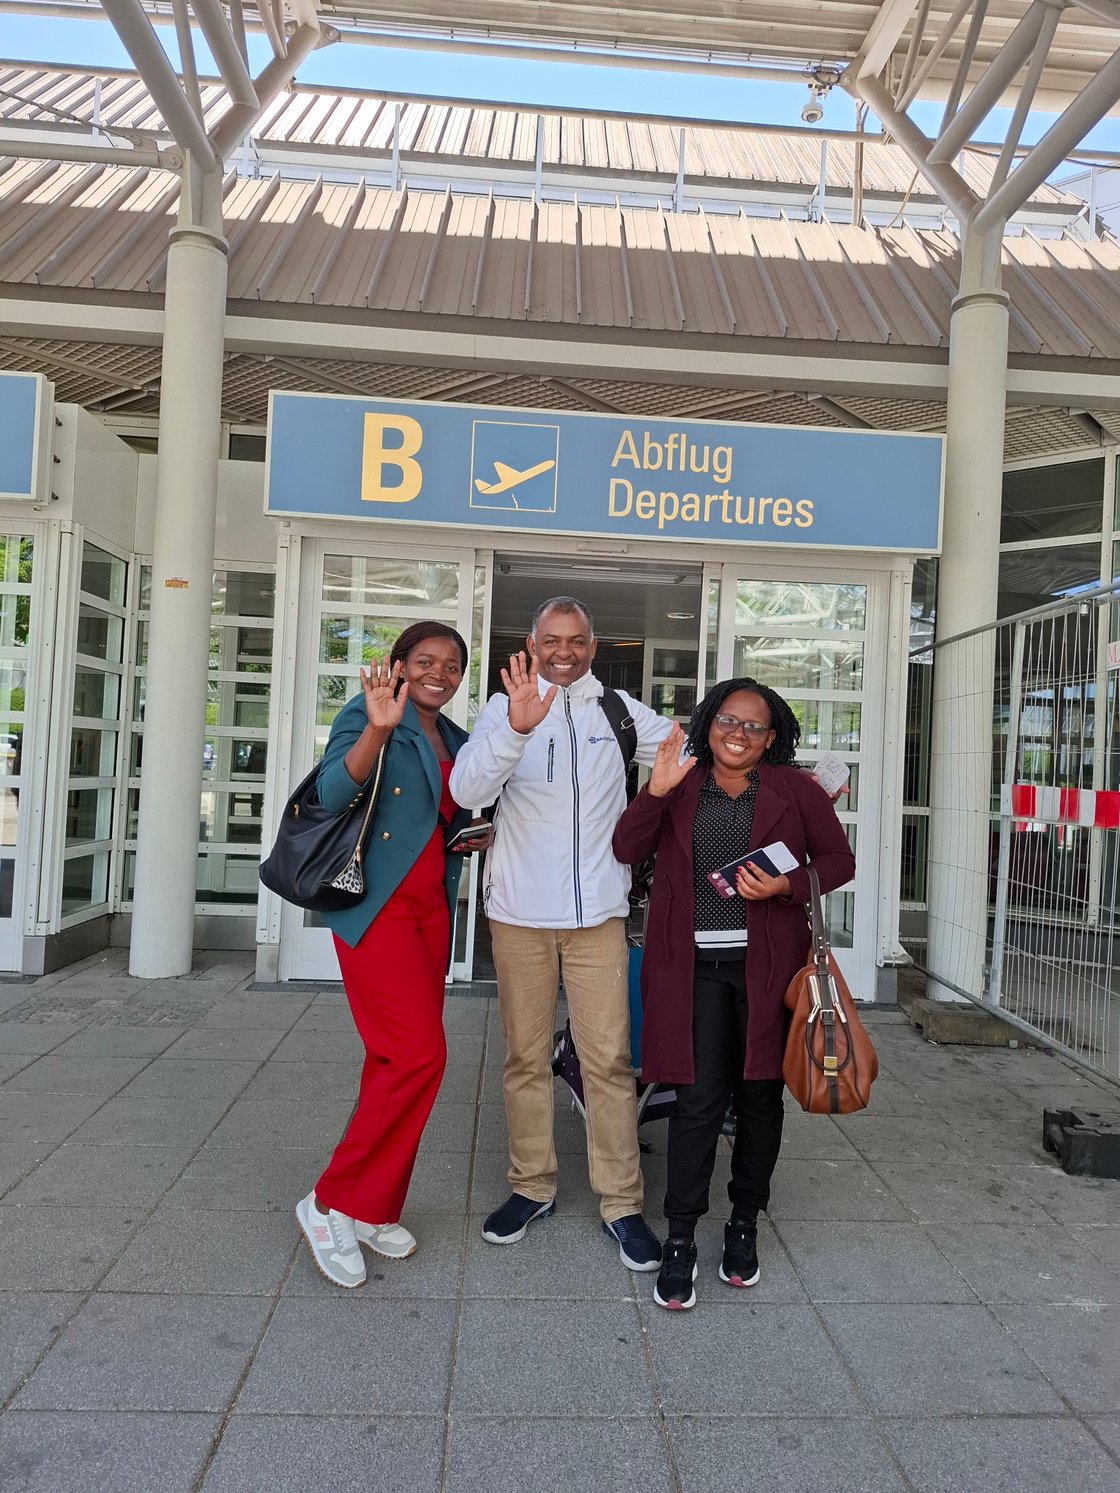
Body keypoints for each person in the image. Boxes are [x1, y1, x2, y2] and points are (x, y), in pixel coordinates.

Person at [612, 676, 855, 1310]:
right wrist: (656, 792)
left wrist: (786, 888)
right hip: (690, 971)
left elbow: (838, 860)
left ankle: (744, 1222)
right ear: (708, 723)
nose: (738, 734)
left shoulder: (794, 791)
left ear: (771, 738)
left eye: (753, 726)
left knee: (759, 1100)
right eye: (728, 720)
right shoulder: (678, 781)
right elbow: (625, 847)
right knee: (695, 1102)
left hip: (769, 973)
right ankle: (682, 1238)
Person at [449, 596, 673, 1271]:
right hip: (518, 915)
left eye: (576, 640)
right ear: (534, 641)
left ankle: (622, 1201)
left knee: (608, 1062)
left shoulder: (621, 712)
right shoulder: (503, 705)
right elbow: (466, 788)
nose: (565, 651)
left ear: (593, 644)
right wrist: (516, 729)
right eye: (553, 639)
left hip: (598, 918)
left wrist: (787, 779)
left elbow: (702, 751)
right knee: (523, 1058)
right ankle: (531, 1185)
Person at [296, 620, 487, 1289]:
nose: (440, 671)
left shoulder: (458, 737)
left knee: (389, 1059)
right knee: (419, 1055)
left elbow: (444, 814)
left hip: (431, 907)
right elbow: (332, 794)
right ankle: (329, 1201)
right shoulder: (372, 711)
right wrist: (377, 729)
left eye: (453, 663)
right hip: (374, 905)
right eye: (426, 659)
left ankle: (372, 1205)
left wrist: (467, 834)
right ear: (400, 664)